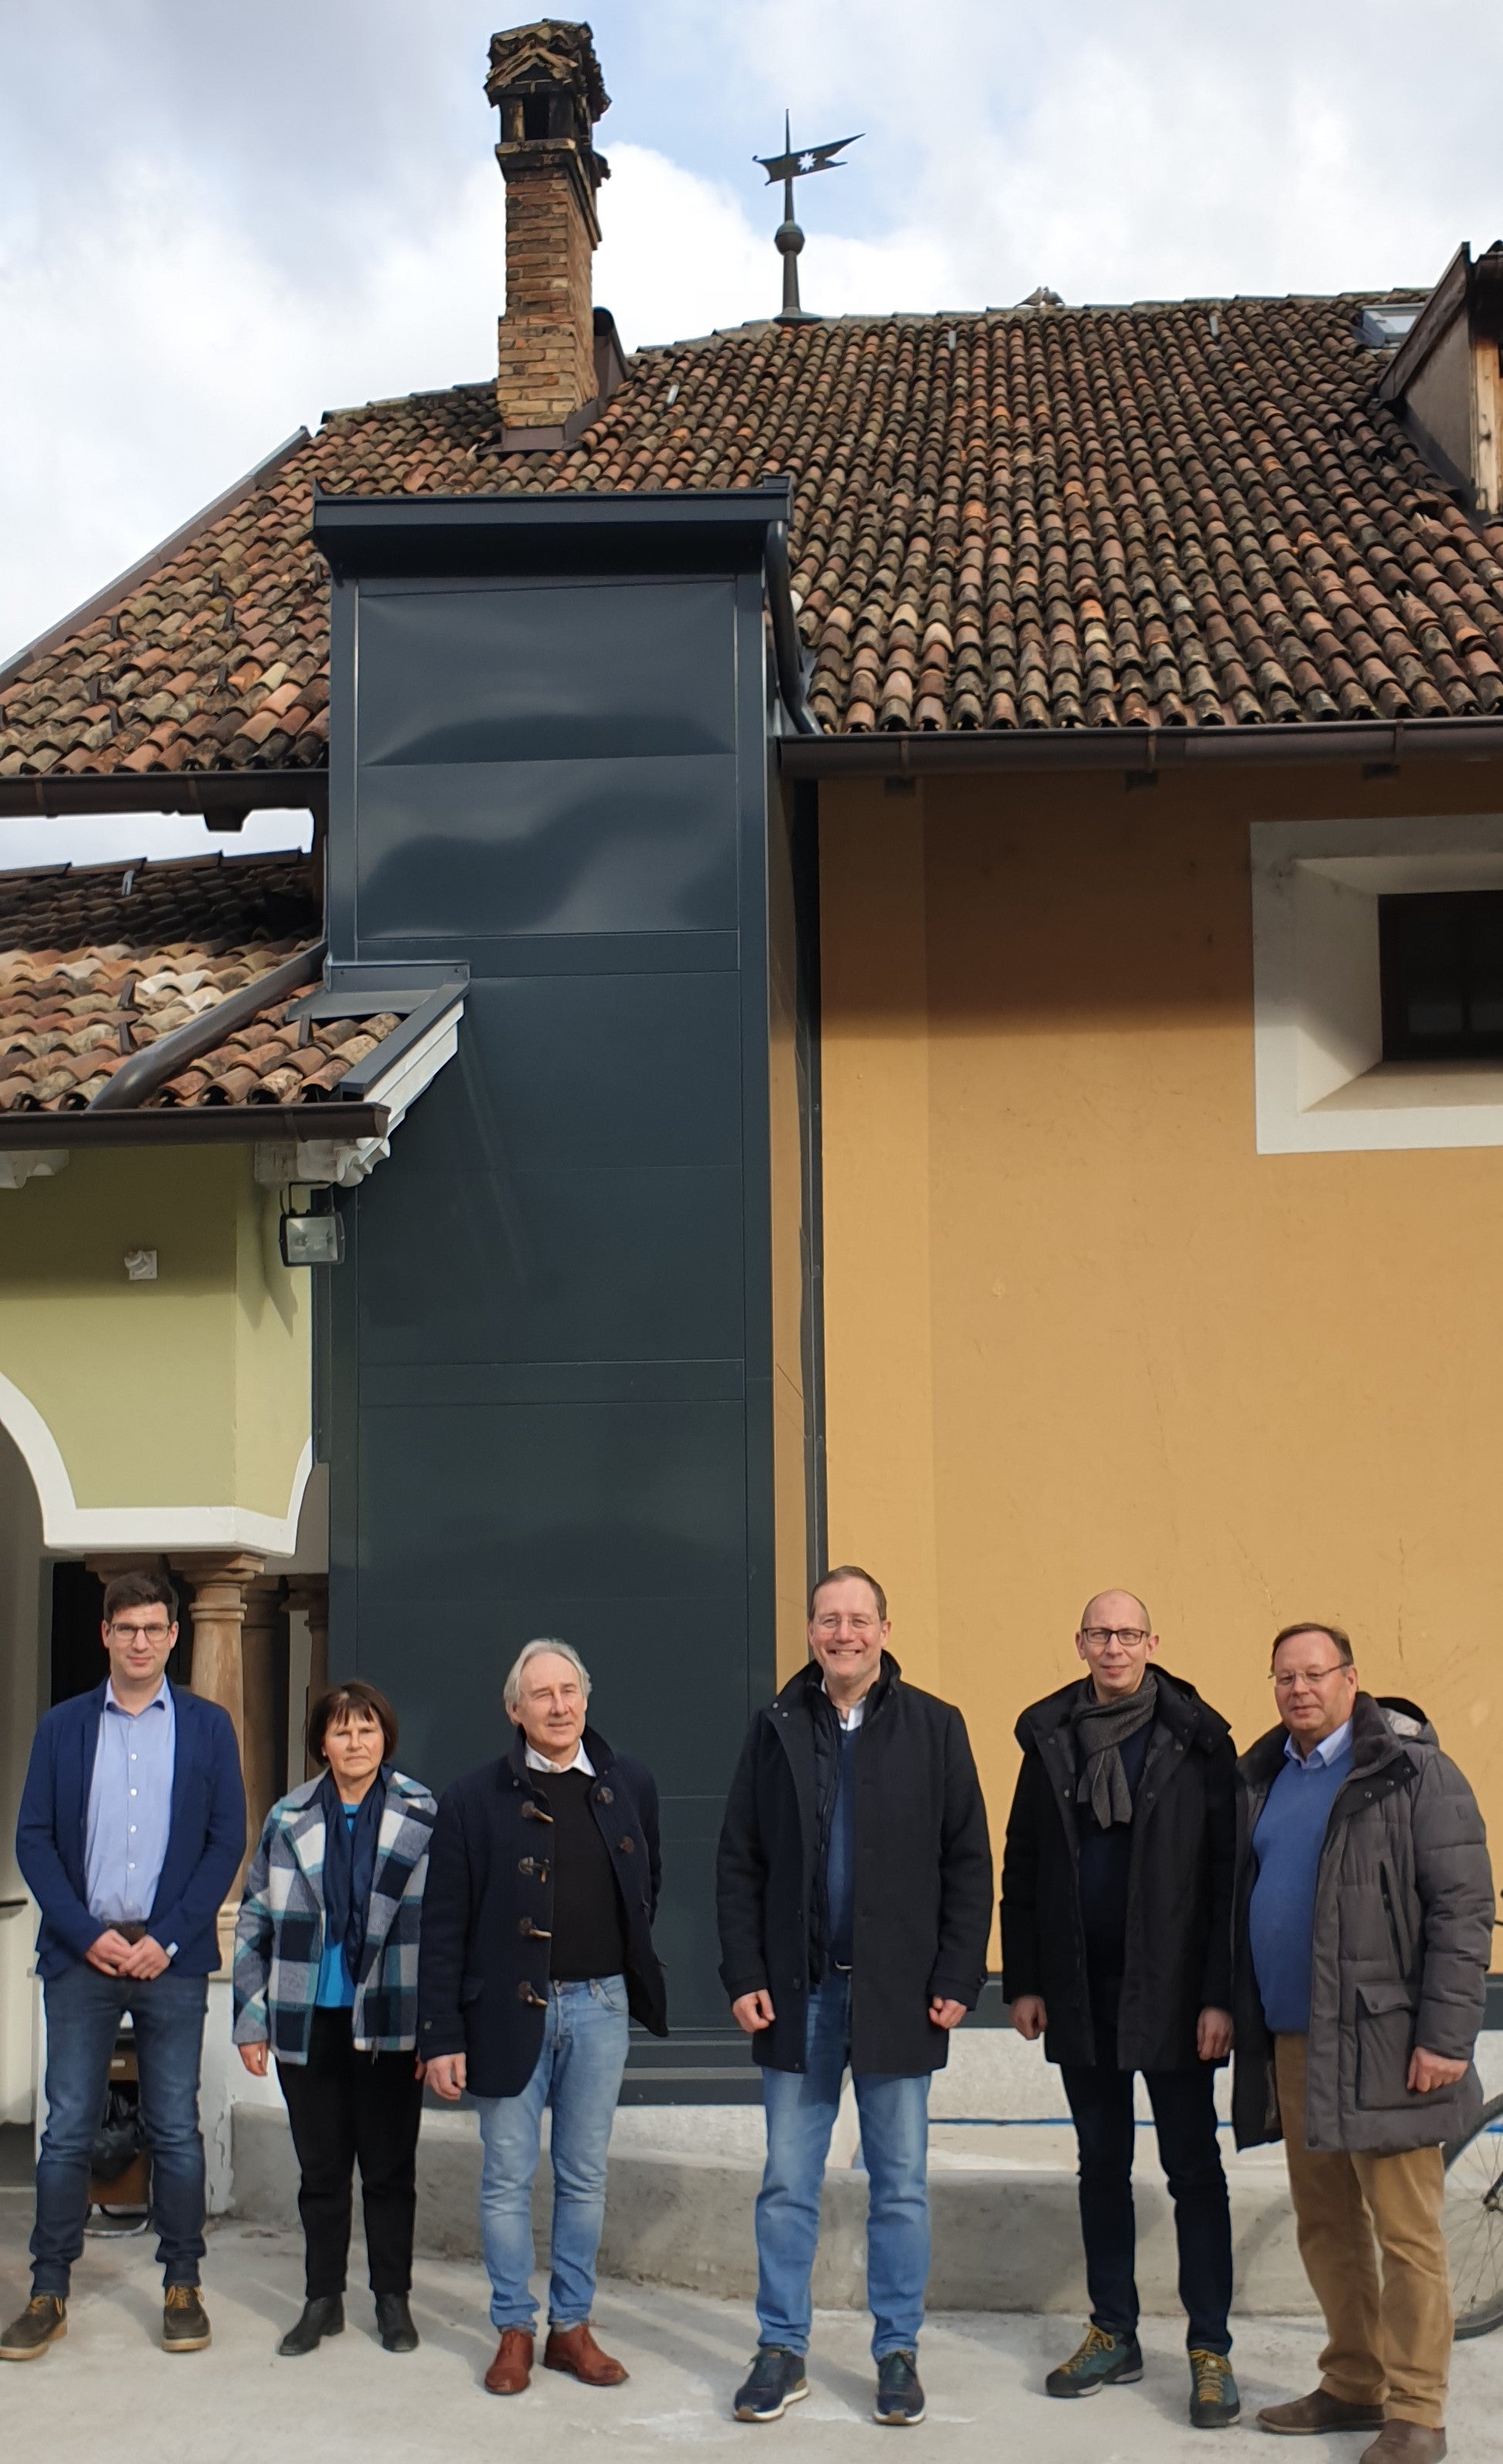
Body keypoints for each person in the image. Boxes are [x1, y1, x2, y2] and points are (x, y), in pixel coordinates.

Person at [716, 1565, 993, 2429]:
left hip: (898, 1996)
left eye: (858, 1619)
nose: (844, 1633)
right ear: (809, 1631)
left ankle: (896, 2350)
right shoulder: (774, 1727)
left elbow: (968, 1863)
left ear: (883, 1628)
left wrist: (955, 1977)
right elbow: (738, 1861)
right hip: (798, 1999)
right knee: (788, 2182)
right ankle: (781, 2346)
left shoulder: (935, 1727)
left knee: (901, 2184)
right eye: (828, 1619)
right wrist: (746, 1973)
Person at [1231, 1622, 1495, 2464]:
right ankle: (1353, 2381)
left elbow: (1463, 1912)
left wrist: (1445, 2035)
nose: (1298, 1689)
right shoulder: (1265, 1775)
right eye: (1284, 1676)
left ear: (1351, 1678)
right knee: (1327, 2223)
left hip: (1390, 2042)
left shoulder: (1414, 1773)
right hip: (1295, 2038)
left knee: (1406, 2233)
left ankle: (1416, 2411)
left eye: (1314, 1673)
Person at [1001, 1589, 1240, 2428]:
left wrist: (1220, 1995)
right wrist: (1023, 1979)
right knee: (1100, 2164)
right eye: (1100, 1633)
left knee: (1192, 2170)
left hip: (1175, 1994)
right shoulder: (1050, 1733)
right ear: (1078, 1642)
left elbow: (1226, 1875)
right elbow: (1023, 1860)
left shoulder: (1198, 1736)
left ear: (1152, 1641)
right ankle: (1114, 2329)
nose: (1114, 1646)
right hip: (1078, 1988)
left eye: (1128, 1633)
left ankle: (1209, 2347)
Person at [3, 1569, 245, 2362]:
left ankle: (182, 2281)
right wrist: (83, 1931)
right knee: (67, 2125)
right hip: (82, 1953)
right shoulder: (64, 1726)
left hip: (170, 1957)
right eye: (126, 1627)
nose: (140, 1641)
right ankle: (49, 2287)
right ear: (104, 1633)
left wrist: (169, 1937)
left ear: (175, 1634)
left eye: (154, 1627)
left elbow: (224, 1840)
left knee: (174, 2124)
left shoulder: (208, 1726)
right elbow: (33, 1835)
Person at [417, 1639, 667, 2398]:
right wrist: (440, 2034)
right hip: (503, 2009)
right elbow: (443, 1922)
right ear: (514, 1708)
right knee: (505, 2176)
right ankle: (513, 2328)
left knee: (584, 2174)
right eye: (542, 1694)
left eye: (569, 1690)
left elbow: (648, 1879)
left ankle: (572, 2327)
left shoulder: (630, 1782)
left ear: (585, 1699)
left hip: (600, 2006)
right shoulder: (470, 1797)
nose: (559, 1705)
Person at [233, 1680, 436, 2358]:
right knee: (320, 2172)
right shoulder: (289, 1815)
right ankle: (323, 2300)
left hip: (391, 2018)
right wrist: (251, 2019)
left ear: (387, 1738)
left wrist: (435, 2027)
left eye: (368, 1729)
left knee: (388, 2169)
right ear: (321, 1741)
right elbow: (255, 1918)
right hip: (306, 2018)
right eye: (343, 1731)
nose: (356, 1742)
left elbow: (443, 1926)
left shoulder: (421, 1812)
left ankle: (392, 2300)